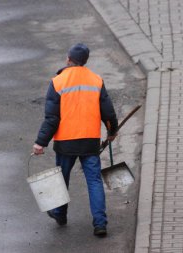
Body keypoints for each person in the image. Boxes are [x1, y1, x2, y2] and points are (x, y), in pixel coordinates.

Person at [32, 43, 118, 237]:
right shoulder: (96, 80)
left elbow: (52, 118)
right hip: (89, 141)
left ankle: (60, 215)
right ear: (85, 61)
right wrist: (113, 130)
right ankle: (100, 224)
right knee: (94, 181)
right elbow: (108, 111)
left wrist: (40, 142)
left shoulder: (57, 82)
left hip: (66, 143)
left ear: (68, 59)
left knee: (62, 180)